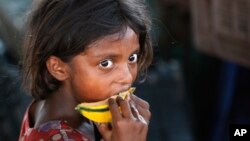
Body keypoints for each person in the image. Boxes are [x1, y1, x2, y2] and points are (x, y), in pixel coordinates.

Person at [19, 0, 153, 140]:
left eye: (132, 58)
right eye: (105, 63)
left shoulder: (64, 103)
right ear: (58, 68)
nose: (127, 77)